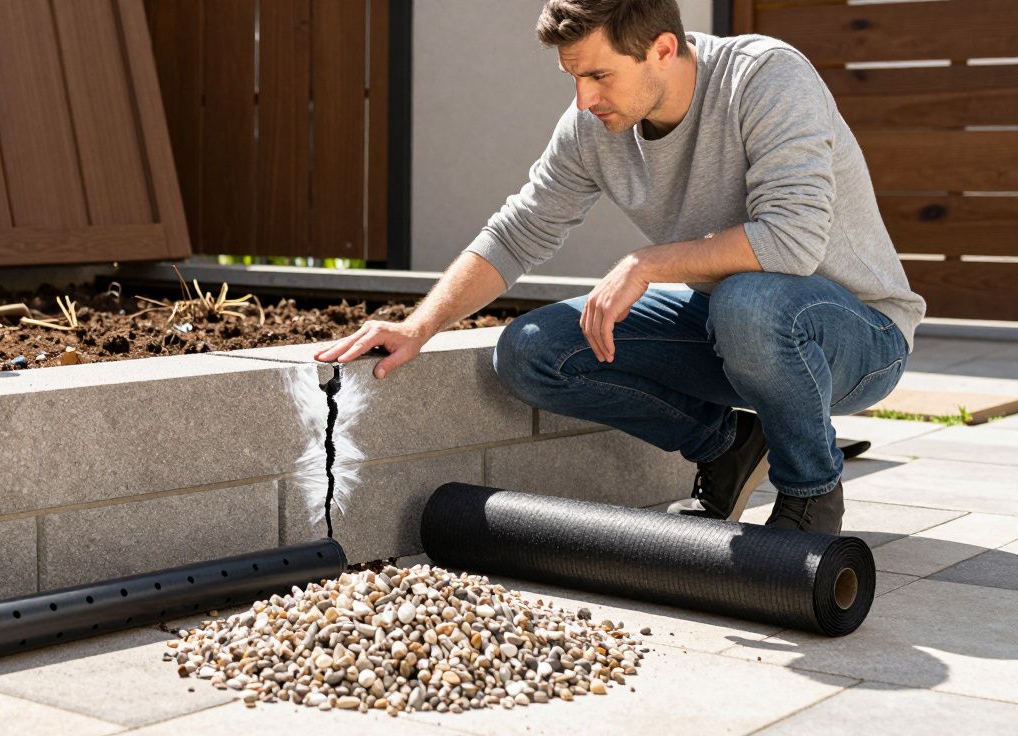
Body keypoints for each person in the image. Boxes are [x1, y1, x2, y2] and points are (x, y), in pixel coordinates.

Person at [315, 0, 925, 534]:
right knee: (532, 349)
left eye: (599, 74)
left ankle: (809, 495)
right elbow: (517, 232)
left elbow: (791, 242)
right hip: (736, 325)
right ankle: (726, 446)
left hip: (859, 335)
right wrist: (419, 327)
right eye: (574, 77)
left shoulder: (766, 78)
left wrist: (645, 262)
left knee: (749, 301)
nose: (585, 99)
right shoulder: (592, 127)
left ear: (662, 49)